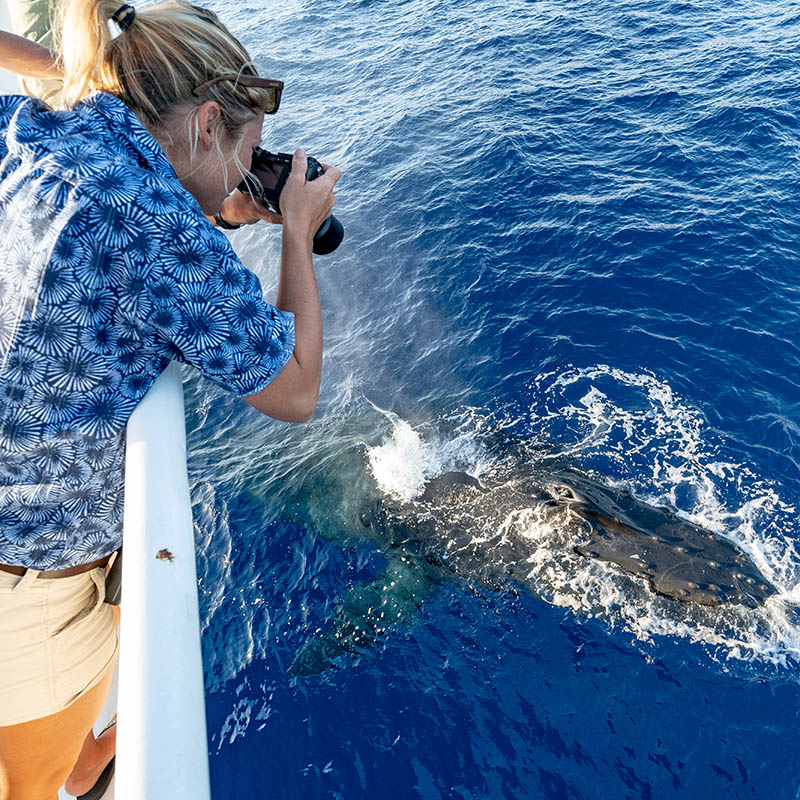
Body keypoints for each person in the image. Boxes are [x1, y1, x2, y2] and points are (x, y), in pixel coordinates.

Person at [0, 0, 341, 797]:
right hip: (25, 593)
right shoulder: (157, 227)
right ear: (208, 119)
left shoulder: (31, 126)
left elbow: (143, 195)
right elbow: (295, 391)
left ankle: (88, 754)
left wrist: (215, 194)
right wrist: (294, 230)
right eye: (246, 150)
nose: (244, 172)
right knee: (31, 783)